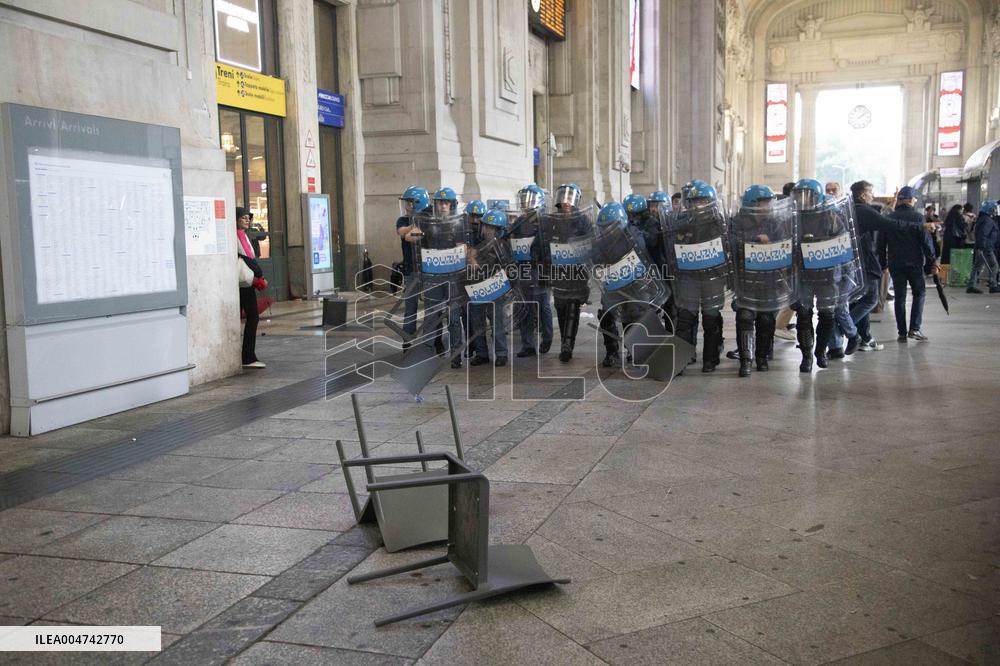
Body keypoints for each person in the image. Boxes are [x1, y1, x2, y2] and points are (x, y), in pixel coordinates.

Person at [790, 179, 863, 371]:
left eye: (807, 195)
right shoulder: (792, 217)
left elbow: (843, 243)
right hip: (803, 274)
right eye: (799, 196)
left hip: (828, 273)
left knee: (827, 315)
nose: (803, 200)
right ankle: (806, 356)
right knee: (804, 315)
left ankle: (821, 351)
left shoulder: (831, 215)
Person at [667, 180, 731, 373]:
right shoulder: (682, 222)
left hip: (712, 277)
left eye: (702, 201)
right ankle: (679, 361)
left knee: (711, 319)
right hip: (689, 277)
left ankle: (710, 359)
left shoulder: (719, 222)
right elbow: (672, 248)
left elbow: (727, 247)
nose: (697, 205)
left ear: (710, 202)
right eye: (694, 202)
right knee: (685, 319)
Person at [730, 185, 795, 377]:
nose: (768, 206)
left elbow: (786, 244)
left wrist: (772, 243)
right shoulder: (737, 222)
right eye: (764, 202)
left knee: (766, 320)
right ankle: (745, 360)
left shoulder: (776, 223)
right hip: (746, 280)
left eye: (769, 202)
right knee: (745, 318)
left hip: (770, 279)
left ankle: (762, 357)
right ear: (753, 203)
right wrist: (754, 240)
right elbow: (730, 244)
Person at [877, 186, 939, 342]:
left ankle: (902, 332)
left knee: (900, 297)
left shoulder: (889, 218)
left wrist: (883, 264)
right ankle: (915, 329)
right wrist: (932, 261)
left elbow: (881, 242)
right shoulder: (918, 218)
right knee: (919, 293)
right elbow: (926, 242)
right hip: (914, 263)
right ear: (911, 200)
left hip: (895, 263)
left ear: (899, 199)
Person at [542, 183, 591, 362]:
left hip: (576, 274)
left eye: (570, 198)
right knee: (561, 308)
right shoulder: (551, 221)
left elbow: (589, 245)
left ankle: (567, 345)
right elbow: (543, 244)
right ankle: (564, 340)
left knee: (572, 308)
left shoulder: (583, 221)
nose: (566, 201)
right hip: (558, 274)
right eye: (563, 197)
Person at [511, 184, 554, 358]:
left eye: (529, 199)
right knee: (525, 306)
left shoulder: (546, 222)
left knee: (543, 304)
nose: (526, 204)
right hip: (523, 269)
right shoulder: (519, 222)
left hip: (541, 268)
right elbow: (510, 239)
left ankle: (547, 336)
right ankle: (527, 344)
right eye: (523, 199)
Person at [467, 207, 512, 366]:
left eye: (491, 227)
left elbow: (507, 268)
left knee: (496, 322)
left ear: (499, 230)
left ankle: (501, 353)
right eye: (486, 226)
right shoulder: (476, 243)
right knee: (477, 321)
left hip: (495, 289)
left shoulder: (503, 246)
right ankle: (481, 353)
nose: (487, 230)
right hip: (478, 288)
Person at [396, 186, 431, 339]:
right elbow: (403, 232)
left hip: (429, 269)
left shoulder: (429, 221)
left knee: (432, 307)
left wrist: (421, 223)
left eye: (410, 203)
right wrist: (415, 224)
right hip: (411, 269)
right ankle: (407, 338)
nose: (407, 206)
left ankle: (431, 339)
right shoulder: (403, 220)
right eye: (406, 203)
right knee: (410, 307)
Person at [236, 207, 267, 369]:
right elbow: (248, 258)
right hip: (244, 283)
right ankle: (248, 356)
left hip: (244, 282)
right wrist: (259, 275)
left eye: (248, 218)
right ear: (236, 220)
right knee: (252, 316)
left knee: (244, 317)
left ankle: (246, 355)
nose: (247, 220)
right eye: (243, 218)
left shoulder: (244, 235)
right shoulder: (238, 235)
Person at [966, 200, 999, 294]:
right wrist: (982, 246)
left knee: (977, 266)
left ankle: (971, 285)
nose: (994, 211)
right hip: (986, 247)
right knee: (994, 266)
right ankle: (993, 285)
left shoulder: (982, 219)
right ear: (989, 210)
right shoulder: (988, 220)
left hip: (981, 246)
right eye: (993, 209)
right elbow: (983, 234)